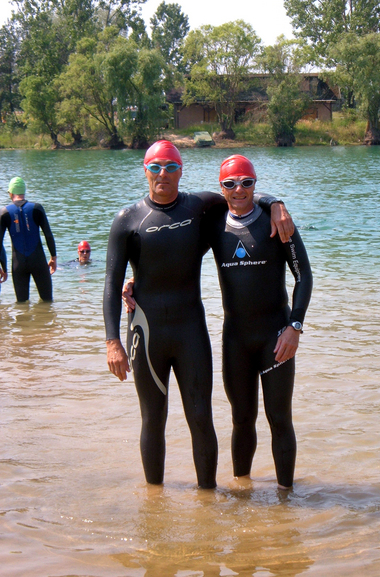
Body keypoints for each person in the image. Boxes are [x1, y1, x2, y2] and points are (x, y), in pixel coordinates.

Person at [103, 140, 293, 489]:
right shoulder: (127, 220)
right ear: (145, 171)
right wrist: (112, 341)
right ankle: (155, 504)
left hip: (190, 331)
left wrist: (276, 204)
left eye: (171, 167)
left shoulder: (199, 206)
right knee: (152, 420)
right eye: (155, 166)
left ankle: (208, 501)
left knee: (201, 418)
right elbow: (110, 285)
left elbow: (241, 194)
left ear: (181, 171)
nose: (163, 174)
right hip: (146, 332)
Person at [0, 177, 57, 302]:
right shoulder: (37, 208)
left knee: (21, 304)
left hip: (18, 264)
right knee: (47, 301)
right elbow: (48, 234)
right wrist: (53, 257)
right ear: (24, 191)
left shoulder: (4, 212)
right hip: (38, 261)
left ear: (10, 193)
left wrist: (3, 267)